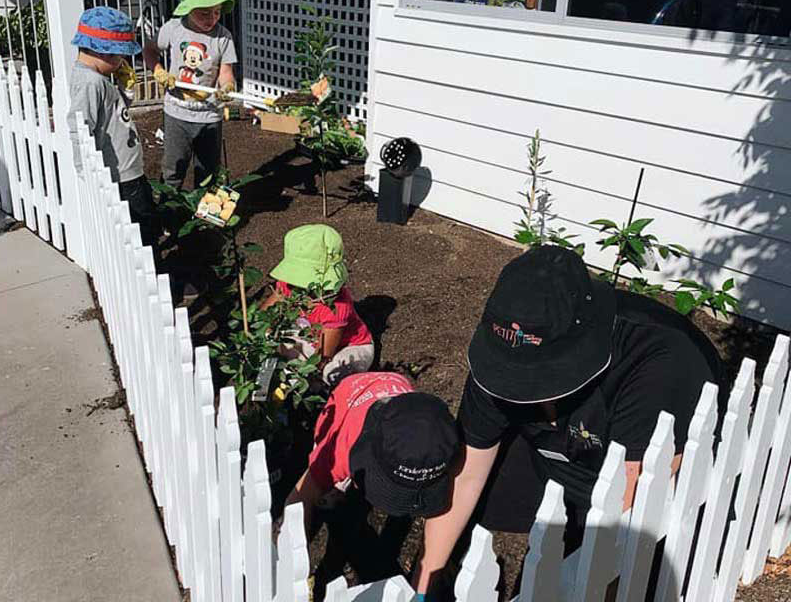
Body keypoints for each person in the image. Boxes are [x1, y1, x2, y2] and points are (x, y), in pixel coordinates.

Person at [412, 245, 720, 598]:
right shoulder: (500, 357)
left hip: (625, 477)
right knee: (484, 514)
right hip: (558, 455)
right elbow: (466, 472)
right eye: (513, 376)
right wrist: (424, 584)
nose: (521, 391)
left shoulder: (658, 367)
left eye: (541, 377)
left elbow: (627, 510)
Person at [285, 371, 460, 533]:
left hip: (395, 386)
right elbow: (299, 496)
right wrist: (297, 548)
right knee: (326, 486)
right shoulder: (341, 448)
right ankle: (338, 489)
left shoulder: (440, 437)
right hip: (347, 396)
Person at [67, 7, 157, 245]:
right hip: (121, 176)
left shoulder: (96, 79)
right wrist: (84, 169)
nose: (122, 62)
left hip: (129, 170)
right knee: (141, 231)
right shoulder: (91, 83)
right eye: (120, 57)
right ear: (105, 53)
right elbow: (79, 125)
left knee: (146, 220)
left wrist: (124, 88)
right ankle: (152, 271)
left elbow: (114, 111)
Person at [142, 0, 237, 190]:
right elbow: (149, 49)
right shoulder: (174, 29)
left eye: (216, 12)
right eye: (204, 13)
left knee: (208, 172)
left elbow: (225, 72)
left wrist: (227, 86)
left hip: (209, 114)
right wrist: (158, 70)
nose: (212, 18)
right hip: (177, 112)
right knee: (173, 167)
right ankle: (168, 214)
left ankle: (202, 217)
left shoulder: (223, 37)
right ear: (188, 8)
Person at [261, 224, 375, 386]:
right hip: (311, 337)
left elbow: (323, 356)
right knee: (275, 342)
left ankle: (314, 389)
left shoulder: (337, 305)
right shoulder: (289, 285)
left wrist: (295, 379)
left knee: (334, 374)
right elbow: (265, 316)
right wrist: (264, 336)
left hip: (350, 347)